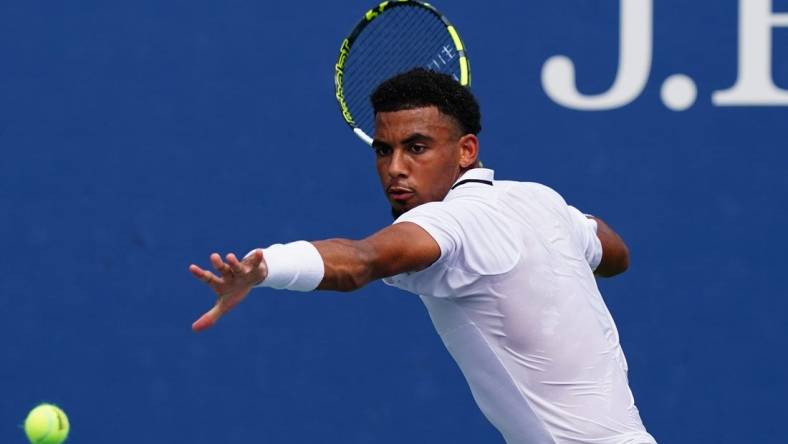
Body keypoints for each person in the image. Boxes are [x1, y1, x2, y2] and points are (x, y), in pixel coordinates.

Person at [188, 68, 656, 444]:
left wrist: (267, 266)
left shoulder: (452, 223)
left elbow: (361, 260)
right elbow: (615, 253)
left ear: (466, 150)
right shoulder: (539, 200)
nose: (395, 168)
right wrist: (569, 238)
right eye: (383, 150)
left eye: (417, 148)